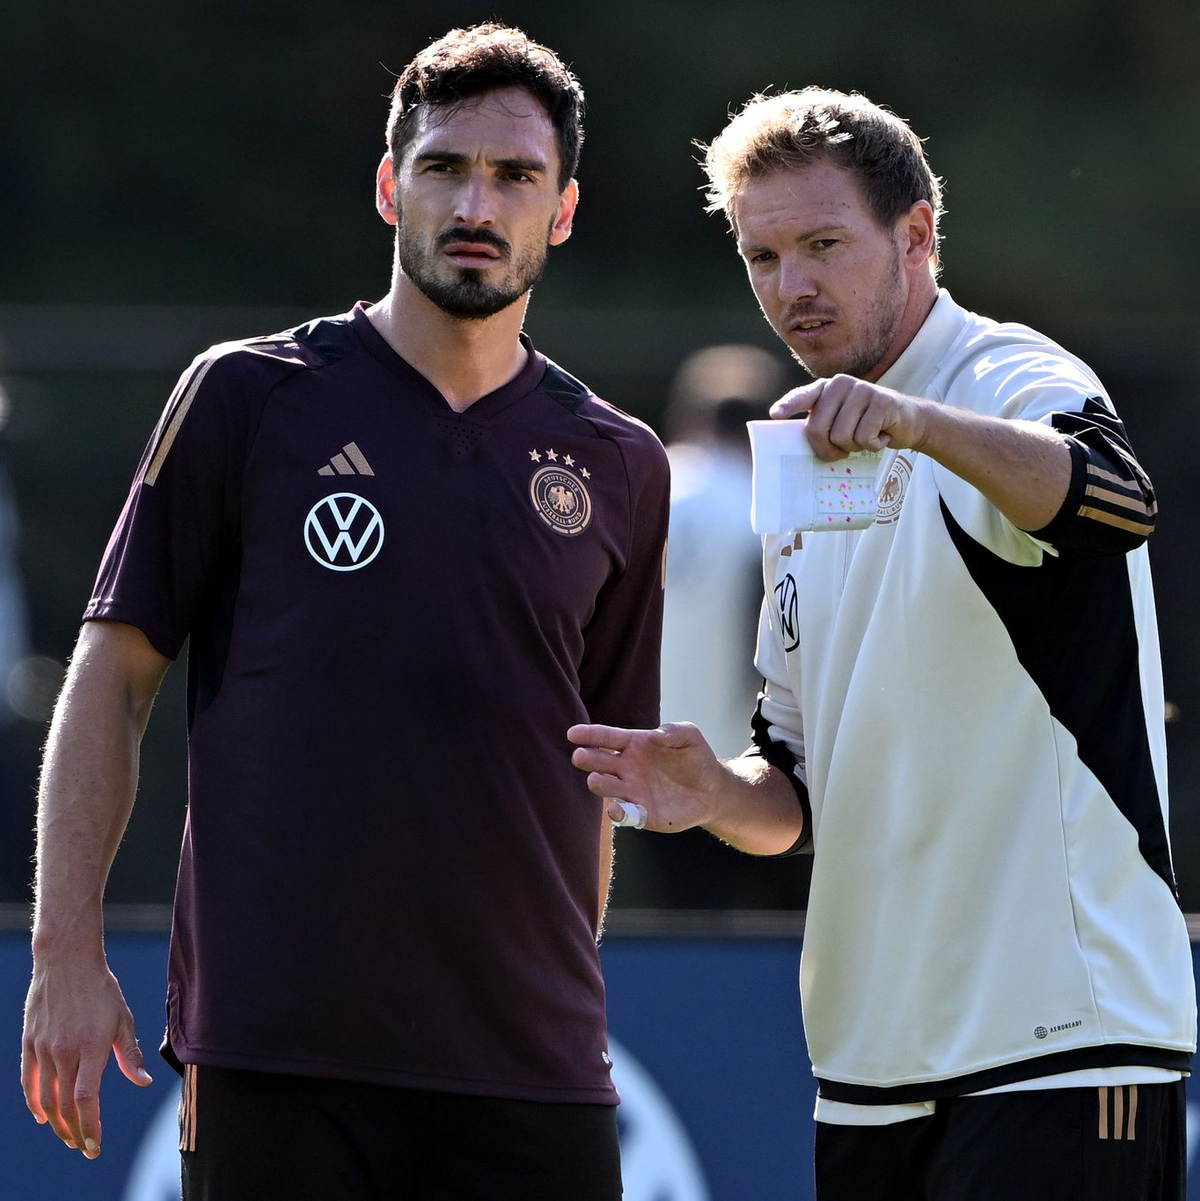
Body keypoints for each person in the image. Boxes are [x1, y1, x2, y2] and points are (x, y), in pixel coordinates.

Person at [21, 24, 669, 1199]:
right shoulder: (245, 397)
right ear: (390, 188)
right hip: (279, 1057)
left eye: (517, 175)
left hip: (533, 1070)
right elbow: (109, 680)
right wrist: (63, 944)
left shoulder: (620, 463)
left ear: (562, 211)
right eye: (445, 167)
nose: (479, 201)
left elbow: (605, 773)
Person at [570, 87, 1195, 1199]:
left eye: (822, 245)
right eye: (763, 256)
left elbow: (1114, 499)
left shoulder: (1010, 377)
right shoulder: (804, 461)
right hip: (870, 1065)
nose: (791, 287)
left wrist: (917, 424)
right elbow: (801, 793)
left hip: (1059, 1034)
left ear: (917, 237)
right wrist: (716, 789)